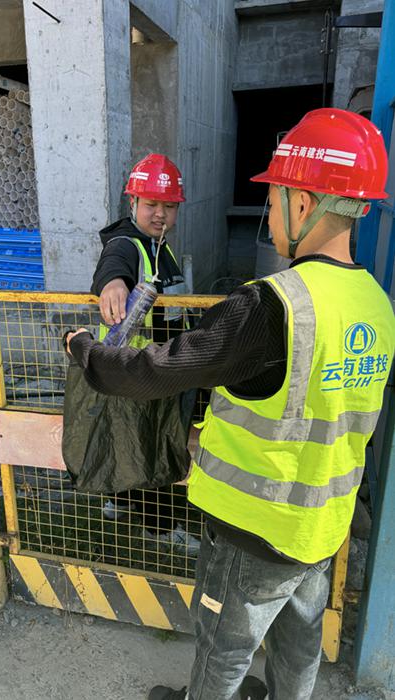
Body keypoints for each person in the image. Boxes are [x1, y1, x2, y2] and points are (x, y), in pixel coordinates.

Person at [67, 109, 395, 700]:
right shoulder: (377, 303)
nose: (268, 212)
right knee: (298, 648)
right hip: (323, 524)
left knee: (223, 653)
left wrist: (85, 351)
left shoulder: (270, 306)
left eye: (272, 198)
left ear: (302, 203)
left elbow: (155, 369)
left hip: (253, 529)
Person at [92, 152, 199, 552]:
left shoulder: (160, 248)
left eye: (169, 206)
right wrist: (112, 284)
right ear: (133, 202)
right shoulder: (128, 244)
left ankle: (118, 502)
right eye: (151, 204)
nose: (160, 214)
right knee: (154, 449)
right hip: (139, 371)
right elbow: (113, 263)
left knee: (128, 440)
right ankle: (161, 528)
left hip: (149, 369)